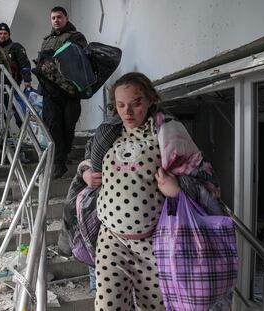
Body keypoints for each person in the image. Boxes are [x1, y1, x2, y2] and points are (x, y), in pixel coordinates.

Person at [80, 72, 224, 311]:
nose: (127, 112)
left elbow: (205, 178)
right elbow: (87, 161)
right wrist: (86, 173)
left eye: (136, 103)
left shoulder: (169, 132)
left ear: (149, 99)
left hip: (154, 243)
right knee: (107, 306)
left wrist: (177, 190)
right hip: (110, 239)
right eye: (120, 105)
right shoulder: (107, 132)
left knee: (154, 307)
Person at [38, 6, 87, 179]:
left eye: (59, 17)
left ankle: (64, 155)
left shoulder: (76, 37)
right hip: (50, 91)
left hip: (69, 91)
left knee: (68, 127)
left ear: (66, 18)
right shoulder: (46, 40)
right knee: (53, 127)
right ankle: (58, 163)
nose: (56, 20)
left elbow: (81, 60)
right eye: (53, 18)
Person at [0, 23, 32, 127]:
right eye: (0, 33)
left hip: (11, 86)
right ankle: (2, 138)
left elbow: (25, 64)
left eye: (5, 33)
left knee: (19, 113)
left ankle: (26, 136)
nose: (3, 35)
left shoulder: (16, 47)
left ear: (9, 34)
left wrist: (27, 80)